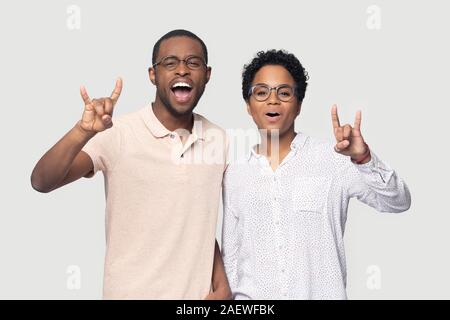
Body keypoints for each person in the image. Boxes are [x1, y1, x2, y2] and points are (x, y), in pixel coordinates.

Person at [31, 29, 231, 300]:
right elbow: (42, 181)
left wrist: (221, 285)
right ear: (152, 74)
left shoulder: (218, 139)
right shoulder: (117, 133)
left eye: (193, 63)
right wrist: (83, 131)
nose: (182, 70)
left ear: (207, 75)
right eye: (170, 63)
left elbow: (198, 225)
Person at [221, 49, 411, 299]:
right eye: (261, 92)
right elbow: (231, 259)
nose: (272, 100)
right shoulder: (235, 174)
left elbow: (398, 202)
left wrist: (363, 158)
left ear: (299, 105)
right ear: (248, 105)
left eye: (284, 93)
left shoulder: (336, 159)